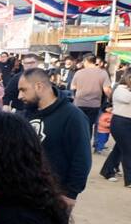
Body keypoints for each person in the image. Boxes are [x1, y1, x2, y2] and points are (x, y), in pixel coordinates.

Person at [19, 68, 92, 211]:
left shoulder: (73, 116)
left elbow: (82, 158)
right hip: (23, 193)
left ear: (39, 86)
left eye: (23, 90)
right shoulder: (26, 114)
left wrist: (70, 194)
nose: (20, 95)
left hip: (53, 196)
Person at [71, 55, 111, 145]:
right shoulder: (103, 73)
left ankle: (75, 144)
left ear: (85, 61)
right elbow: (107, 90)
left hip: (79, 103)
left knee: (78, 125)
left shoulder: (79, 73)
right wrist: (111, 100)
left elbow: (73, 87)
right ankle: (85, 145)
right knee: (88, 126)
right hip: (94, 105)